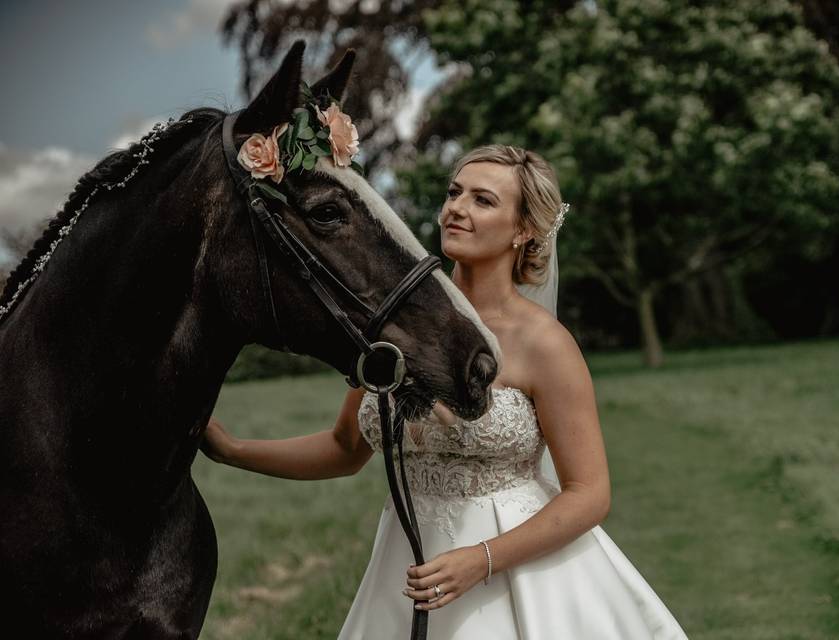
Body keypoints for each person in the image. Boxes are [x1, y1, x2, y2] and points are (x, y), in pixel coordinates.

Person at [202, 144, 689, 639]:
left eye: (483, 200)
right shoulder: (392, 324)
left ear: (524, 230)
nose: (456, 207)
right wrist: (233, 451)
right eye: (455, 192)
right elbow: (346, 448)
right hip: (406, 563)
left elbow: (589, 494)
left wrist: (482, 561)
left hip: (517, 572)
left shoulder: (544, 344)